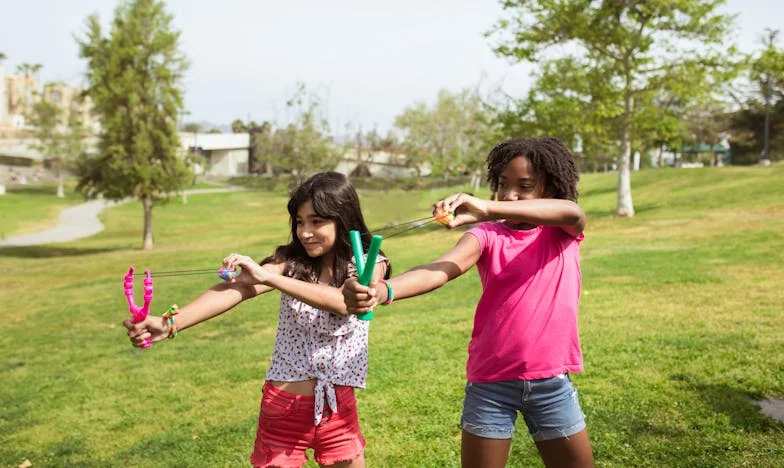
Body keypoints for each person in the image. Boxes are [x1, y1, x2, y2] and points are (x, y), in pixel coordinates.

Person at [343, 137, 595, 467]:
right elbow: (439, 271)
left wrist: (486, 207)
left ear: (551, 188)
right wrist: (383, 290)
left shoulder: (562, 230)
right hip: (491, 385)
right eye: (503, 185)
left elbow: (571, 210)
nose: (509, 195)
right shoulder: (487, 235)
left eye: (525, 186)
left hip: (551, 384)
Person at [124, 172, 390, 468]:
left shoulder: (369, 262)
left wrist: (270, 278)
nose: (305, 232)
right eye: (300, 222)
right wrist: (171, 323)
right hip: (283, 408)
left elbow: (344, 301)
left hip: (338, 409)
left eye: (316, 221)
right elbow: (237, 289)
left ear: (342, 219)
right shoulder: (290, 262)